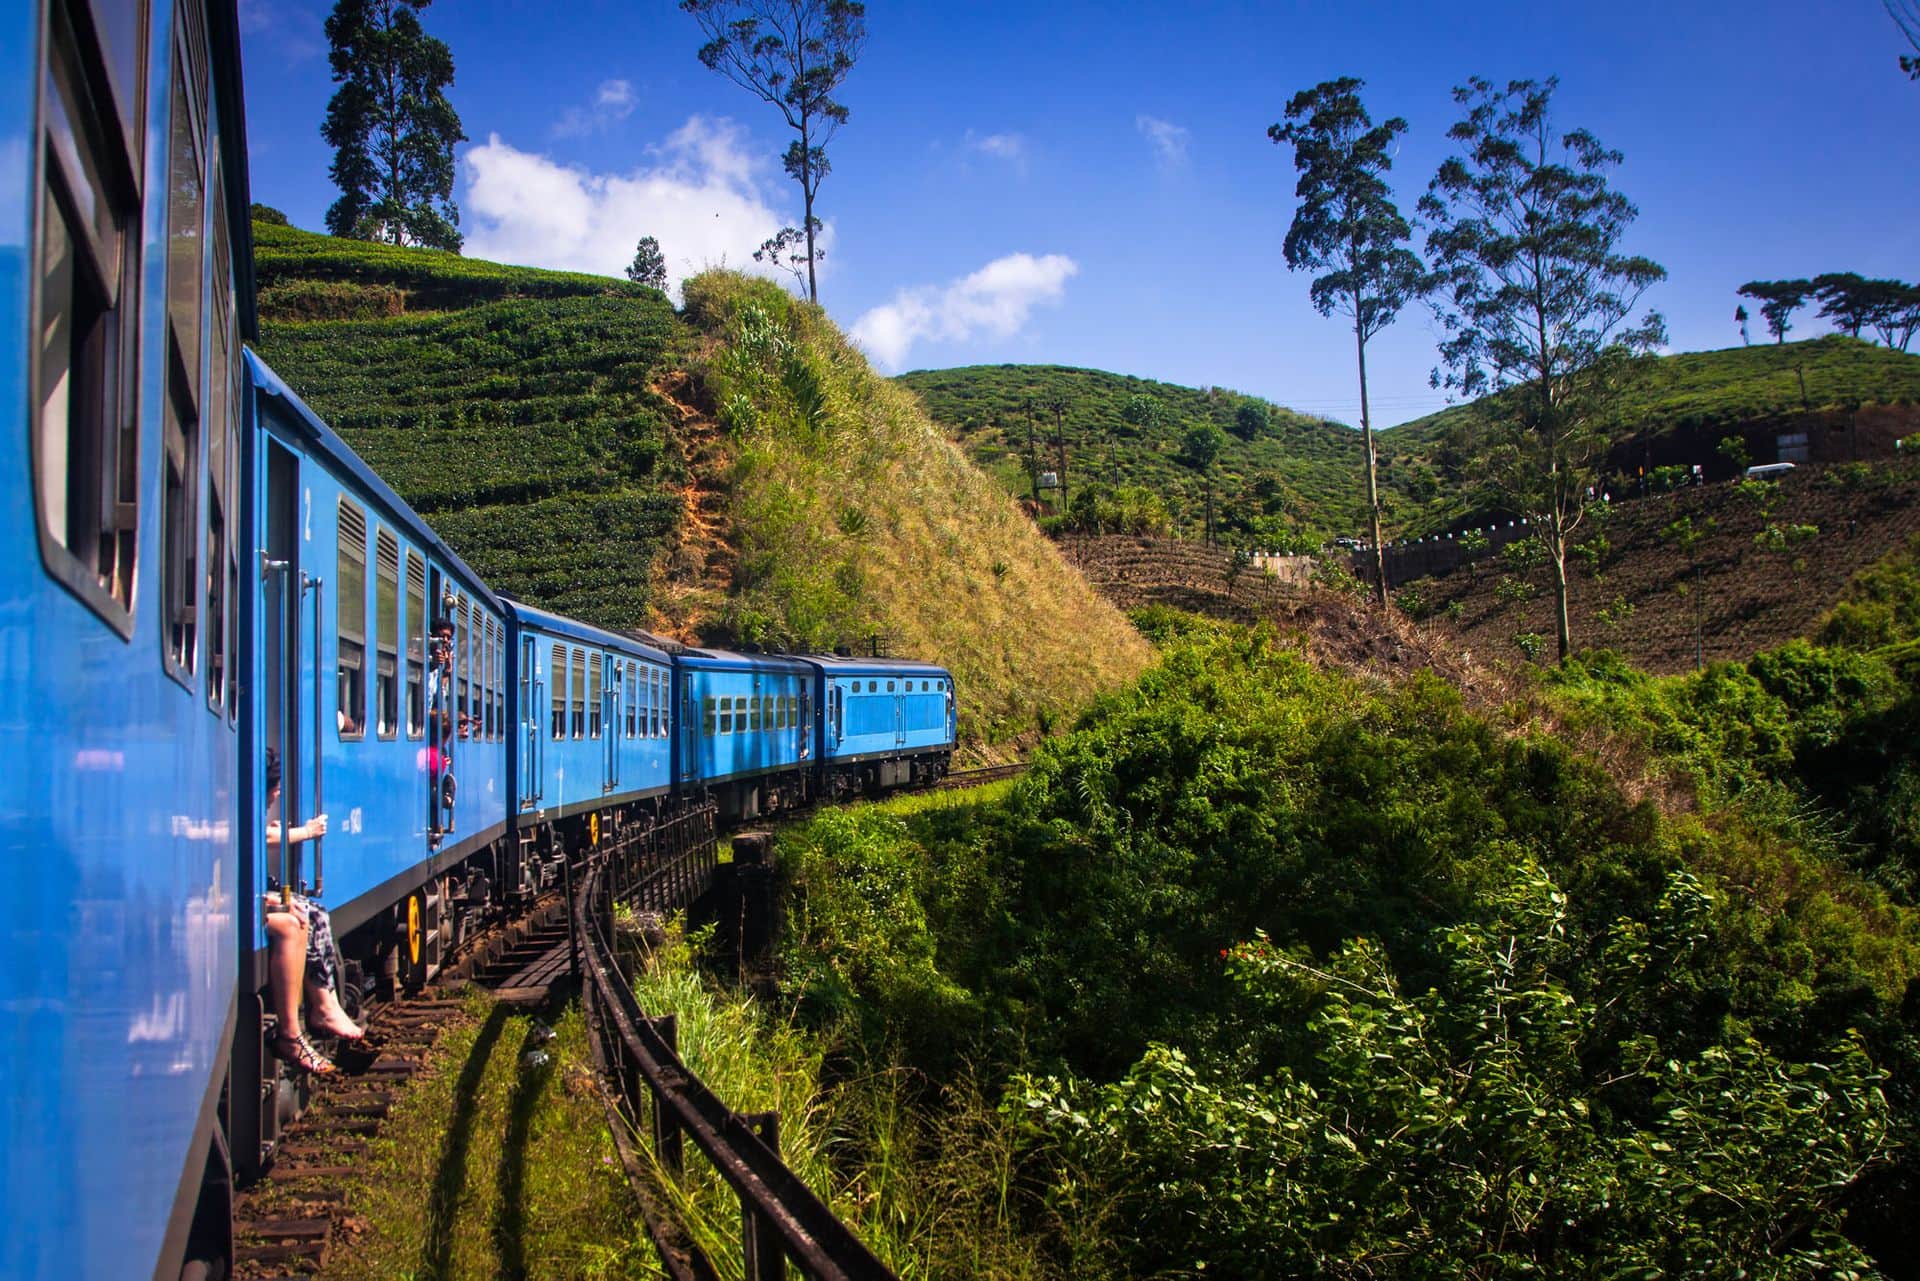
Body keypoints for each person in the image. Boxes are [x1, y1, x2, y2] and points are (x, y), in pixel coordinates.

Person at [263, 748, 362, 1074]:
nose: (278, 793)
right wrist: (307, 831)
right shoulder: (241, 805)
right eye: (275, 787)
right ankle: (304, 1023)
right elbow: (262, 836)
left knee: (316, 914)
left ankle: (325, 1002)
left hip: (256, 894)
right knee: (298, 919)